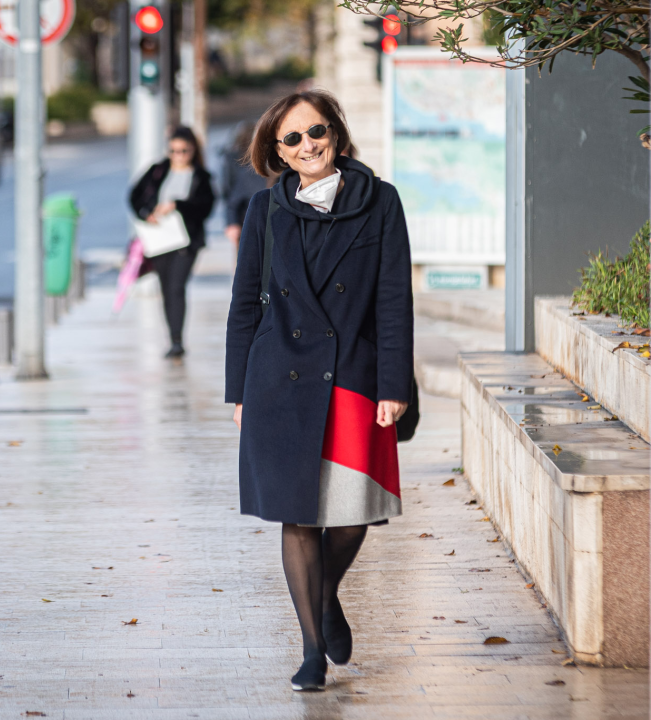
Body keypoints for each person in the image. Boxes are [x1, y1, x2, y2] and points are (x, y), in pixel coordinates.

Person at [224, 90, 414, 691]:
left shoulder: (380, 202)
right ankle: (311, 648)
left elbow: (393, 300)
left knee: (352, 512)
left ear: (336, 133)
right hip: (279, 379)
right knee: (299, 517)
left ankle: (326, 595)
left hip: (355, 375)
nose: (309, 145)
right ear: (277, 152)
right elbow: (242, 305)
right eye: (294, 139)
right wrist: (238, 392)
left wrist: (395, 383)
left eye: (317, 131)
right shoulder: (266, 211)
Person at [129, 126, 216, 359]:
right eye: (173, 150)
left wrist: (177, 205)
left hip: (186, 242)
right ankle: (172, 338)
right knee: (166, 289)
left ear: (192, 150)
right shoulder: (158, 170)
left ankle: (178, 341)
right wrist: (146, 213)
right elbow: (134, 195)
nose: (178, 155)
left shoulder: (201, 177)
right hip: (158, 240)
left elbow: (205, 208)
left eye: (183, 151)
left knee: (177, 287)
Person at [221, 120, 267, 255]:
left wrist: (231, 222)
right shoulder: (238, 163)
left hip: (247, 219)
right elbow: (231, 195)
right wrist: (232, 222)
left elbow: (228, 192)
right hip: (249, 220)